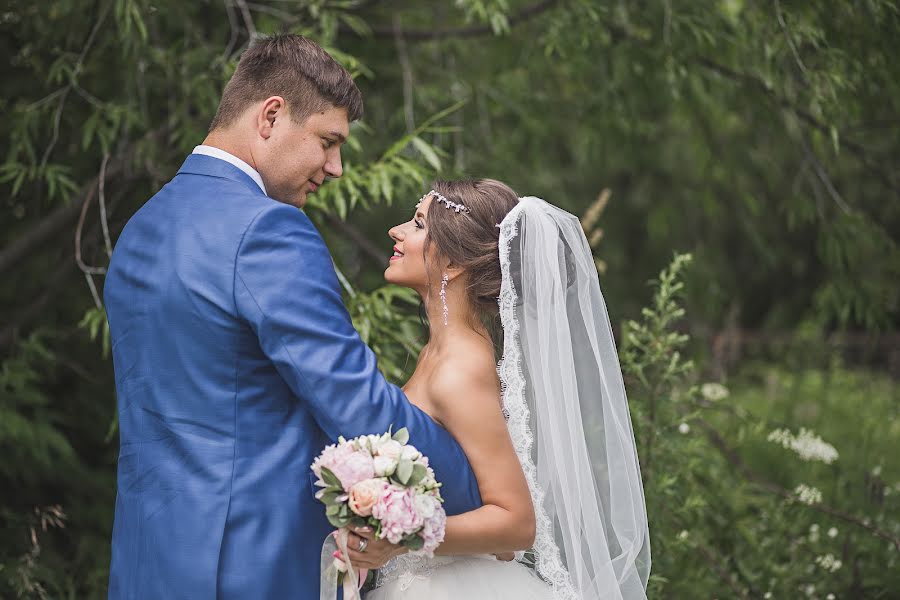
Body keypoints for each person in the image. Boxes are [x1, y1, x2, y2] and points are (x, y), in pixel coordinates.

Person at [103, 34, 481, 600]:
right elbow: (358, 406)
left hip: (145, 564)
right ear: (271, 116)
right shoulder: (267, 231)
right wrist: (480, 491)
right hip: (249, 568)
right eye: (328, 142)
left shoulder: (140, 228)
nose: (337, 168)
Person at [353, 180, 651, 599]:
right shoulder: (438, 355)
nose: (396, 231)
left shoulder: (460, 368)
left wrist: (403, 537)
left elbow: (515, 525)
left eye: (418, 224)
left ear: (453, 263)